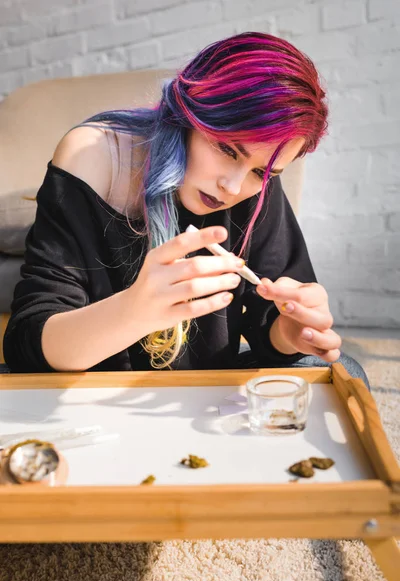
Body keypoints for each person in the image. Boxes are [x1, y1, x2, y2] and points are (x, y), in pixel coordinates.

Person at [3, 31, 370, 389]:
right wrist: (134, 311)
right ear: (188, 114)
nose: (233, 187)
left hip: (197, 390)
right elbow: (29, 344)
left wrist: (288, 333)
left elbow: (270, 324)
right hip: (90, 390)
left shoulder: (256, 189)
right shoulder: (94, 155)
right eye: (227, 149)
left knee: (341, 368)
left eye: (262, 172)